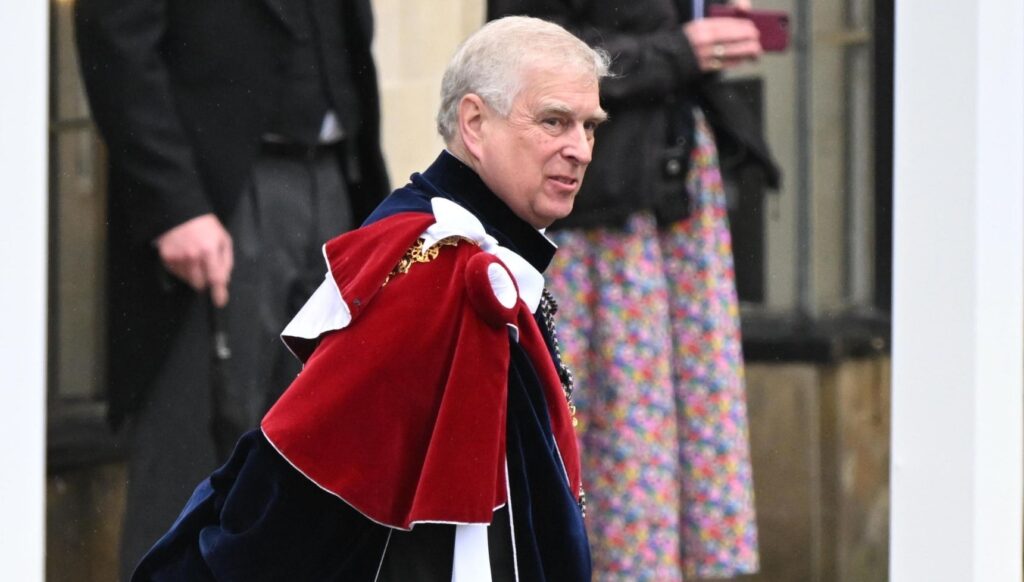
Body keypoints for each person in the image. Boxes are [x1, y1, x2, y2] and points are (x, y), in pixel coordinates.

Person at [128, 16, 610, 581]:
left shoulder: (479, 249)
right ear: (474, 123)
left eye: (590, 127)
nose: (579, 149)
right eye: (554, 121)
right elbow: (303, 482)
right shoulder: (438, 266)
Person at [73, 0, 389, 576]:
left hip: (338, 181)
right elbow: (115, 38)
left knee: (319, 462)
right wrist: (175, 206)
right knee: (193, 455)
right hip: (219, 198)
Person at [487, 1, 780, 580]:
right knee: (609, 420)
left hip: (674, 190)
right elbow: (525, 59)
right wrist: (682, 50)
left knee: (688, 404)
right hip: (600, 213)